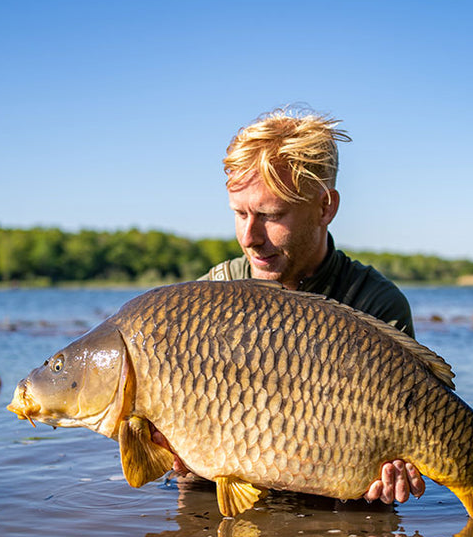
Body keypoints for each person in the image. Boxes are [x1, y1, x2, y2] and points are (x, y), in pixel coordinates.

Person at [159, 107, 425, 505]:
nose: (249, 237)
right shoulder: (210, 297)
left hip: (330, 503)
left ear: (325, 207)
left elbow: (408, 438)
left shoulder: (376, 304)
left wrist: (401, 469)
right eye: (239, 213)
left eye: (271, 215)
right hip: (215, 499)